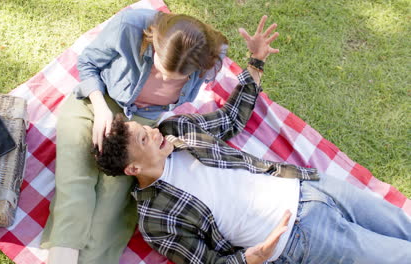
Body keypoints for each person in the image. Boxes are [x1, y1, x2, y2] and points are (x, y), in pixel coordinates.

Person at [95, 16, 411, 264]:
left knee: (401, 224)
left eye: (144, 128)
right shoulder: (157, 221)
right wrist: (256, 256)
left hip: (306, 184)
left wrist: (255, 62)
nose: (152, 131)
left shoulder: (175, 130)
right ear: (133, 169)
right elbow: (209, 262)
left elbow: (231, 119)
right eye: (144, 139)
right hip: (294, 236)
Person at [41, 8, 230, 264]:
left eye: (175, 78)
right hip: (97, 103)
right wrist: (100, 107)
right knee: (76, 184)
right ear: (154, 43)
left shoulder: (209, 58)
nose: (163, 79)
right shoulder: (130, 26)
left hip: (142, 125)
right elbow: (87, 63)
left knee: (112, 204)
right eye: (160, 69)